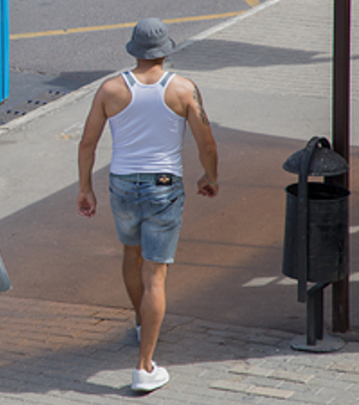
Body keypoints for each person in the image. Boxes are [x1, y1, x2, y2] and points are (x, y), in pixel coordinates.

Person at [77, 18, 219, 392]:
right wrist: (210, 177)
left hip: (122, 184)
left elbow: (87, 143)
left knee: (131, 254)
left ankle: (142, 323)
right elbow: (207, 143)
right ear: (165, 50)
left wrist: (85, 188)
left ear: (133, 50)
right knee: (155, 275)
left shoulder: (110, 89)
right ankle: (145, 366)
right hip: (163, 186)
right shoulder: (184, 90)